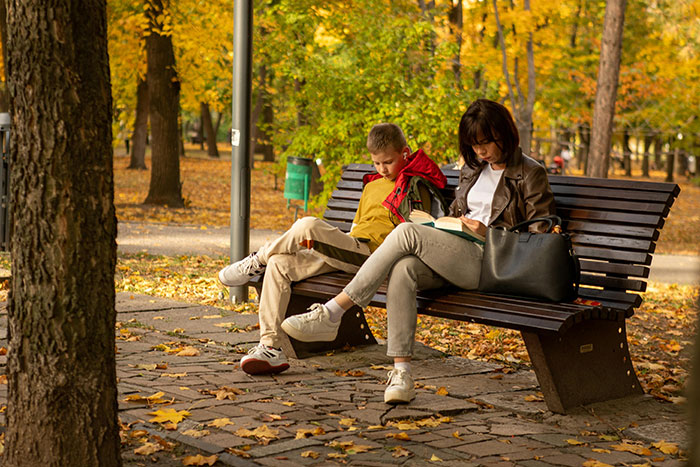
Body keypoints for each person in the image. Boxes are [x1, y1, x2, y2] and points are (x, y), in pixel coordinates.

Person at [281, 99, 556, 404]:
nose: (480, 151)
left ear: (504, 133)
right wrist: (446, 225)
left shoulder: (530, 173)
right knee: (405, 268)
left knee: (407, 231)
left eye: (486, 142)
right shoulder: (473, 170)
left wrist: (488, 233)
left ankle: (333, 313)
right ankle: (402, 374)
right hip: (456, 254)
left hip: (491, 263)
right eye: (473, 144)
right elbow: (456, 212)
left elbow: (538, 240)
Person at [218, 123, 447, 375]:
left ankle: (257, 259)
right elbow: (357, 226)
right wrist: (330, 245)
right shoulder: (371, 186)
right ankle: (270, 347)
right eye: (377, 163)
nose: (382, 169)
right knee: (280, 264)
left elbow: (417, 233)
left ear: (405, 153)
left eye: (388, 162)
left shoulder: (415, 186)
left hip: (375, 257)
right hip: (352, 248)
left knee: (307, 224)